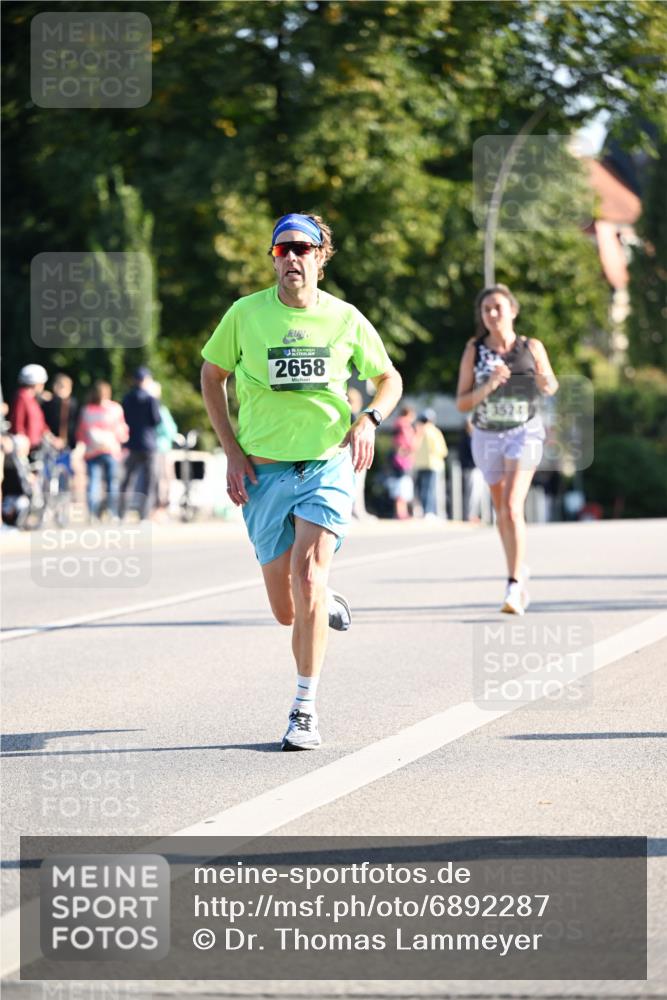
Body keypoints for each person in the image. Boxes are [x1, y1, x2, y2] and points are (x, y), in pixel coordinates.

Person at [201, 212, 402, 750]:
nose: (292, 257)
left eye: (303, 249)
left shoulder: (344, 318)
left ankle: (304, 709)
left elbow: (388, 377)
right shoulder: (245, 315)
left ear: (320, 257)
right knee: (286, 609)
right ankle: (322, 599)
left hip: (325, 464)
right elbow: (212, 375)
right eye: (282, 249)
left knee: (307, 578)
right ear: (273, 258)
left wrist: (370, 420)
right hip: (262, 471)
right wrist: (231, 450)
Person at [455, 284, 558, 614]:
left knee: (513, 506)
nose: (492, 314)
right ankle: (518, 567)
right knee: (502, 512)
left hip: (524, 433)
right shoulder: (475, 349)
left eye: (498, 307)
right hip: (487, 436)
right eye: (486, 310)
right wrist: (488, 385)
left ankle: (514, 585)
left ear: (513, 310)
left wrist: (544, 380)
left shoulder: (531, 346)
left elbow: (550, 385)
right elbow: (461, 403)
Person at [76, 381, 128, 519]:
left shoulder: (87, 410)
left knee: (93, 482)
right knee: (113, 483)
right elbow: (121, 431)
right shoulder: (115, 409)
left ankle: (92, 513)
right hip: (111, 450)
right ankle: (112, 512)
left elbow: (81, 432)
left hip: (92, 451)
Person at [119, 367, 161, 521]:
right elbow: (156, 420)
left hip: (132, 443)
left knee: (127, 480)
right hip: (149, 444)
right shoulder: (151, 399)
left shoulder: (127, 398)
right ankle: (143, 515)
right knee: (148, 483)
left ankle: (121, 513)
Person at [9, 364, 59, 460]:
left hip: (35, 448)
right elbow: (18, 424)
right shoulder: (22, 397)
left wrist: (51, 437)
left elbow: (41, 424)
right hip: (25, 450)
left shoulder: (32, 399)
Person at [151, 381, 179, 516]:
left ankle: (161, 508)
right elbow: (171, 430)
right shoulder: (160, 410)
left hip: (160, 448)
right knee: (163, 479)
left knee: (162, 479)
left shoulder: (159, 409)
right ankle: (161, 508)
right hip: (161, 448)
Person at [414, 408, 448, 518]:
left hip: (420, 464)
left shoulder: (418, 430)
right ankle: (430, 511)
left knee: (423, 489)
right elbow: (442, 450)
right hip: (434, 464)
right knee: (431, 490)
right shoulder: (434, 431)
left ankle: (425, 511)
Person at [389, 406, 417, 519]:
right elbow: (410, 444)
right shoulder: (404, 425)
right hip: (403, 461)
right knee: (402, 486)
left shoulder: (397, 425)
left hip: (399, 460)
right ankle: (401, 512)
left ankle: (402, 511)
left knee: (401, 486)